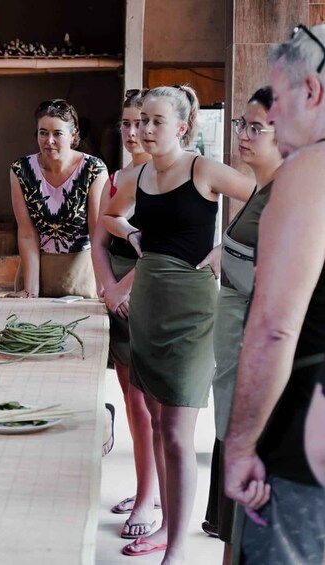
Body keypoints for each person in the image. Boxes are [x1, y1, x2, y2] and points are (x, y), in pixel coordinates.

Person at [103, 85, 251, 563]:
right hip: (148, 301)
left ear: (182, 128)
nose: (144, 129)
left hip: (192, 308)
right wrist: (131, 232)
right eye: (141, 119)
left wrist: (222, 251)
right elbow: (109, 216)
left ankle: (178, 549)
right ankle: (166, 527)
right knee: (158, 419)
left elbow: (262, 197)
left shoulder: (202, 169)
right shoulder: (137, 174)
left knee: (176, 430)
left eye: (156, 121)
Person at [224, 24, 325, 564]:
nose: (271, 116)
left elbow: (274, 327)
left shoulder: (309, 170)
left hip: (307, 431)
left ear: (312, 91)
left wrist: (238, 449)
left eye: (279, 99)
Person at [198, 87, 283, 563]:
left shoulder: (288, 203)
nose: (244, 136)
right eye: (241, 125)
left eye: (256, 127)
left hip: (258, 384)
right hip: (233, 375)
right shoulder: (259, 191)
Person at [90, 88, 160, 540]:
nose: (132, 132)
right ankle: (141, 489)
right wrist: (105, 286)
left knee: (148, 403)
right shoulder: (117, 177)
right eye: (126, 123)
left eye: (141, 123)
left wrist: (121, 288)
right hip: (115, 293)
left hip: (146, 292)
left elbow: (161, 248)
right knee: (131, 401)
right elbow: (98, 239)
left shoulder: (162, 177)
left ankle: (150, 497)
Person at [8, 99, 107, 299]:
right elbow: (27, 234)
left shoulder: (93, 169)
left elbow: (98, 234)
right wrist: (30, 291)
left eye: (57, 134)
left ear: (73, 135)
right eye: (43, 133)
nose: (49, 140)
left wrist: (103, 289)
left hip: (81, 275)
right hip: (35, 274)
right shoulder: (21, 170)